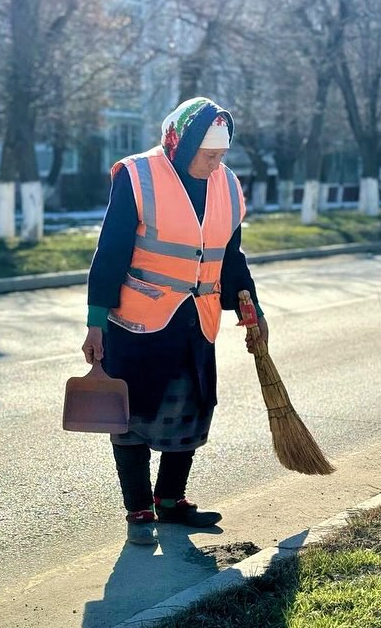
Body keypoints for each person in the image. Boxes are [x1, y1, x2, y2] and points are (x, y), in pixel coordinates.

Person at [82, 97, 269, 545]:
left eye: (222, 155)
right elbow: (110, 252)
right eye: (208, 155)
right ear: (181, 146)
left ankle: (170, 500)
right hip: (138, 321)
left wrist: (253, 310)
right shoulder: (138, 175)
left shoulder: (227, 185)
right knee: (133, 418)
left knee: (192, 410)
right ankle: (139, 511)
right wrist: (95, 321)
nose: (216, 163)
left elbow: (230, 256)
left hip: (196, 321)